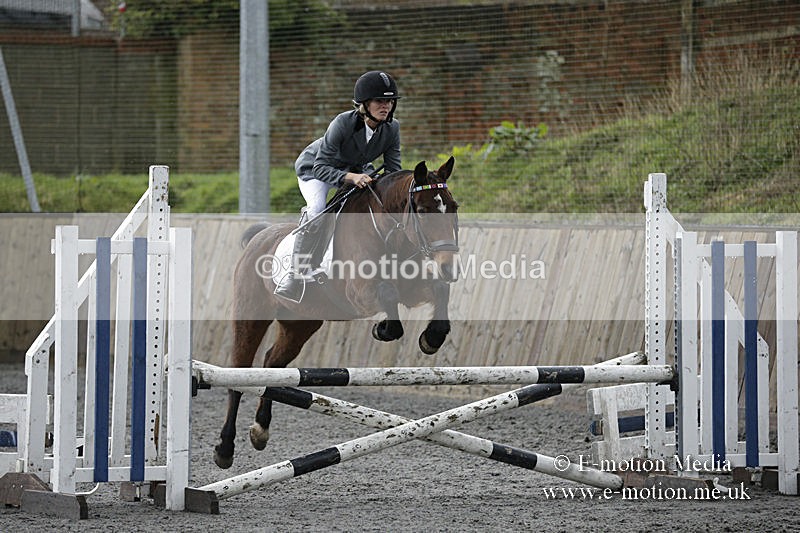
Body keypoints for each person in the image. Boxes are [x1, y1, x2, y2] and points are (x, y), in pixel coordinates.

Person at [274, 70, 402, 302]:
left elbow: (393, 170)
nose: (386, 106)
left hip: (357, 168)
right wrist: (352, 177)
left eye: (389, 101)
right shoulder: (342, 123)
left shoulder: (392, 129)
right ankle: (294, 274)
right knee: (317, 208)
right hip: (316, 169)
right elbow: (321, 168)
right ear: (364, 104)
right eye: (380, 101)